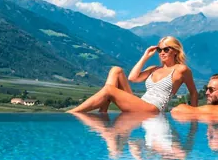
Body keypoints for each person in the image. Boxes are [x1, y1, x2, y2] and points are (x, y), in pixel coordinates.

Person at [68, 37, 199, 114]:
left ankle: (73, 113)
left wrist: (194, 115)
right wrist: (145, 56)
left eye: (166, 49)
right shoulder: (153, 69)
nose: (162, 53)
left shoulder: (181, 69)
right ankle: (103, 113)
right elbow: (132, 78)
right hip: (141, 103)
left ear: (175, 51)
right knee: (116, 70)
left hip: (154, 109)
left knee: (109, 90)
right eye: (159, 50)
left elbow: (193, 92)